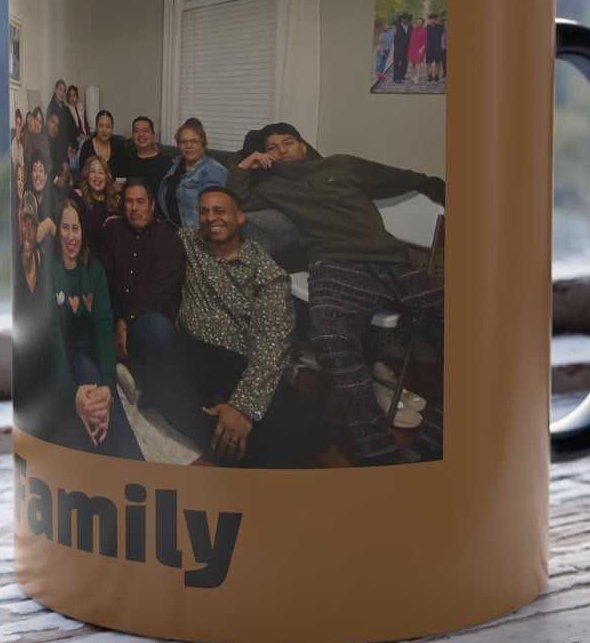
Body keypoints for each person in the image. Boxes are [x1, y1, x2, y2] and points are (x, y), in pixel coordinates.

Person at [230, 125, 445, 466]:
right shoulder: (272, 187)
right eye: (273, 147)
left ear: (303, 146)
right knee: (329, 337)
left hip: (391, 262)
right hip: (333, 265)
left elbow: (405, 178)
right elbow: (235, 202)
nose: (282, 150)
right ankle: (377, 449)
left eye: (288, 143)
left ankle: (437, 438)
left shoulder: (342, 165)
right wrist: (244, 167)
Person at [144, 186, 326, 468]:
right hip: (193, 350)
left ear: (239, 218)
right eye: (204, 211)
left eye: (219, 211)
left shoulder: (266, 272)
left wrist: (244, 408)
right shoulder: (188, 242)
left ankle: (238, 442)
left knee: (308, 431)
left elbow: (272, 343)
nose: (210, 218)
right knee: (154, 383)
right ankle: (241, 454)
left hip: (240, 360)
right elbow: (146, 231)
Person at [45, 196, 144, 459]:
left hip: (88, 350)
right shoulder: (49, 271)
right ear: (57, 231)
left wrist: (108, 384)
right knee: (90, 398)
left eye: (75, 228)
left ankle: (136, 469)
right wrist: (71, 391)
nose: (71, 236)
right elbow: (52, 331)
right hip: (61, 355)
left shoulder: (94, 270)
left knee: (104, 398)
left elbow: (103, 327)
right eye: (64, 228)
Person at [98, 177, 185, 374]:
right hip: (115, 304)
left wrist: (125, 321)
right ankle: (117, 366)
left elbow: (158, 293)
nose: (134, 208)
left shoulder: (169, 241)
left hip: (146, 312)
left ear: (152, 206)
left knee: (159, 332)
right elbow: (102, 275)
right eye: (129, 201)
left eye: (141, 202)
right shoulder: (113, 230)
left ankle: (129, 368)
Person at [11, 198, 53, 439]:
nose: (28, 232)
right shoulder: (14, 264)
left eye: (32, 226)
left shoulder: (42, 258)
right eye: (24, 226)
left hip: (41, 347)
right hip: (22, 352)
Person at [156, 117, 229, 230]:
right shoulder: (177, 164)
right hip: (170, 227)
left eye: (194, 141)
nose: (188, 146)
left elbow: (212, 213)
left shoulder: (214, 170)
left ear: (203, 145)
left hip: (194, 235)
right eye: (183, 142)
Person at [71, 154, 121, 256]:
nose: (97, 176)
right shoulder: (76, 198)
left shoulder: (116, 202)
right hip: (82, 258)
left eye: (101, 172)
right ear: (87, 175)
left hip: (106, 261)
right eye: (92, 171)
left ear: (106, 177)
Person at [76, 109, 134, 179]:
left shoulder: (117, 146)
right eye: (101, 126)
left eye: (108, 126)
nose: (104, 130)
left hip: (114, 189)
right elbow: (83, 175)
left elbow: (123, 175)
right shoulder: (87, 146)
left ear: (112, 129)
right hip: (92, 188)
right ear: (96, 127)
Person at [128, 116, 172, 197]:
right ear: (133, 136)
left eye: (145, 130)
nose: (141, 134)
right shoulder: (127, 162)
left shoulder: (166, 164)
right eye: (136, 131)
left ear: (153, 135)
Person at [25, 150, 57, 244]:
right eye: (35, 170)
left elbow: (59, 232)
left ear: (46, 177)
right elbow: (32, 237)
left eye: (41, 170)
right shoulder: (28, 197)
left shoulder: (52, 195)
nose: (38, 174)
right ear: (31, 176)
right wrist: (48, 224)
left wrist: (50, 224)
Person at [65, 84, 90, 168]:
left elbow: (85, 122)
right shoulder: (67, 109)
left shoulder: (81, 106)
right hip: (76, 136)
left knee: (88, 142)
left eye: (74, 95)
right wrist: (80, 134)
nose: (72, 98)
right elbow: (71, 126)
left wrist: (88, 134)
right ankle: (75, 163)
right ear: (68, 98)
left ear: (77, 97)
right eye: (70, 96)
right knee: (83, 144)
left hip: (85, 135)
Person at [391, 13, 414, 83]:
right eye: (403, 18)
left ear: (408, 20)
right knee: (396, 63)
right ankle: (396, 78)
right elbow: (390, 37)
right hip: (398, 48)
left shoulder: (411, 28)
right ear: (401, 19)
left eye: (406, 18)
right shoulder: (396, 27)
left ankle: (402, 76)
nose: (405, 19)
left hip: (407, 48)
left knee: (405, 63)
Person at [424, 12, 445, 85]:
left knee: (438, 63)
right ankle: (429, 77)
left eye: (433, 19)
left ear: (436, 20)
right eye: (430, 19)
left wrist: (442, 45)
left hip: (438, 47)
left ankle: (436, 77)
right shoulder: (427, 27)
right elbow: (425, 37)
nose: (432, 20)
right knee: (428, 63)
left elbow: (442, 36)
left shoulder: (440, 26)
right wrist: (425, 46)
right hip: (429, 47)